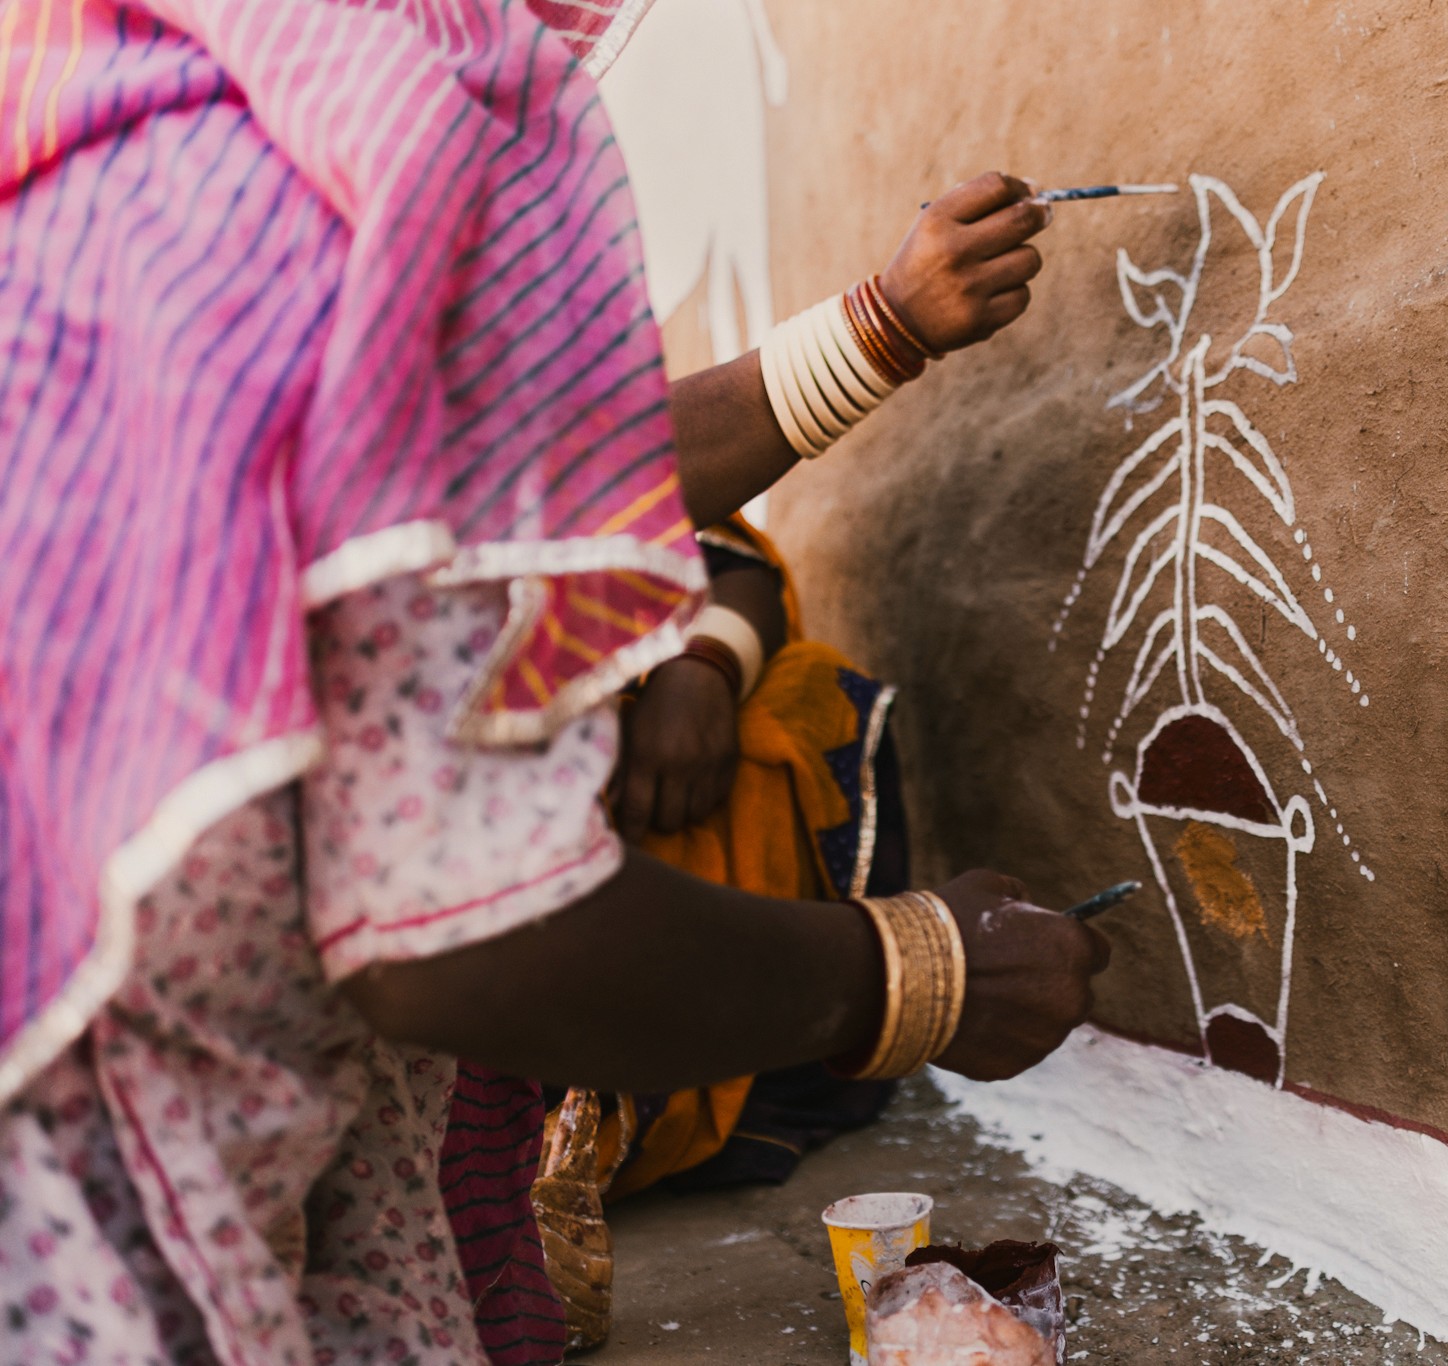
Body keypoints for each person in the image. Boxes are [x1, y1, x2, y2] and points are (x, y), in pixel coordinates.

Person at [0, 3, 1102, 1364]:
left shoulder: (122, 142)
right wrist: (912, 971)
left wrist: (873, 339)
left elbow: (569, 473)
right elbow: (448, 926)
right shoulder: (410, 127)